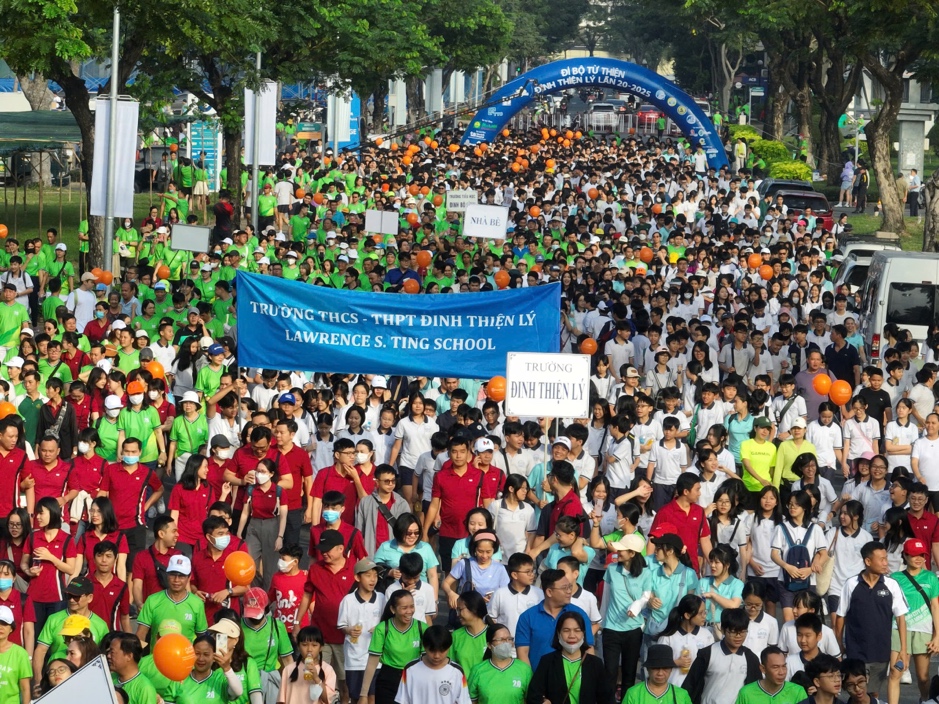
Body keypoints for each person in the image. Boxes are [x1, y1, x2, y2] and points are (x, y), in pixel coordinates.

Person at [836, 540, 910, 702]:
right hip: (855, 652)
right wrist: (839, 645)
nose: (886, 563)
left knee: (873, 694)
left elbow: (901, 618)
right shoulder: (851, 584)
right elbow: (840, 616)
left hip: (881, 652)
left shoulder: (892, 585)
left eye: (886, 558)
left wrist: (903, 650)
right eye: (881, 559)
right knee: (856, 693)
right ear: (868, 561)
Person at [294, 529, 356, 702]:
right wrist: (297, 622)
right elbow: (307, 596)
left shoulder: (354, 569)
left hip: (345, 640)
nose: (324, 553)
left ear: (340, 549)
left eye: (328, 549)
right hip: (321, 639)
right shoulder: (315, 569)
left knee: (345, 684)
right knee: (316, 679)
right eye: (322, 549)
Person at [887, 537, 939, 703]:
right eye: (914, 555)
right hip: (898, 629)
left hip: (923, 630)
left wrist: (937, 635)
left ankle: (924, 700)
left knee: (923, 677)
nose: (919, 559)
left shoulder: (931, 578)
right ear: (905, 556)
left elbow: (935, 607)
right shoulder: (894, 578)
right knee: (896, 672)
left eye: (922, 555)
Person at [515, 568, 595, 672]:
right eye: (564, 588)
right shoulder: (527, 617)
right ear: (549, 592)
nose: (569, 591)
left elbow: (588, 648)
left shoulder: (579, 614)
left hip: (572, 679)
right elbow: (523, 653)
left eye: (570, 587)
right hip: (539, 680)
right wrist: (532, 682)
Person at [526, 611, 614, 704]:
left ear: (583, 633)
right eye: (566, 630)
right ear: (559, 633)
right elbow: (533, 696)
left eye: (577, 630)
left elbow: (607, 698)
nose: (572, 636)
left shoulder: (595, 663)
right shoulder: (547, 661)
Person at [681, 607, 761, 704]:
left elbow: (756, 691)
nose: (738, 636)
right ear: (723, 630)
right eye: (733, 632)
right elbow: (690, 686)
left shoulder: (750, 658)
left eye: (743, 632)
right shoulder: (707, 654)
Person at [358, 589, 425, 704]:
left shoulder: (422, 628)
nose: (409, 611)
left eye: (412, 606)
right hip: (388, 681)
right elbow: (372, 663)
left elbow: (427, 661)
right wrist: (363, 694)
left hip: (414, 680)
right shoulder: (382, 629)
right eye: (404, 608)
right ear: (393, 609)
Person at [337, 558, 386, 704]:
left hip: (376, 658)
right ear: (357, 577)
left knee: (373, 696)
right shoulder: (348, 600)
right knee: (356, 697)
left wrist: (379, 629)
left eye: (375, 575)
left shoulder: (382, 598)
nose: (373, 579)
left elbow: (387, 623)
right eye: (368, 575)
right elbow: (341, 625)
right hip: (354, 658)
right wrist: (349, 630)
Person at [648, 472, 713, 574]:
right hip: (669, 570)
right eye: (697, 489)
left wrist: (712, 563)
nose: (699, 493)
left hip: (692, 569)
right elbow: (652, 540)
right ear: (686, 491)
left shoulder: (699, 511)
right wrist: (649, 567)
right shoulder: (665, 512)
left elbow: (704, 539)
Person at [136, 554, 208, 645]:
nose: (176, 580)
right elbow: (141, 634)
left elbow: (201, 638)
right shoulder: (152, 600)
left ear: (189, 577)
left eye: (181, 576)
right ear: (167, 575)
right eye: (173, 575)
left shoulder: (197, 603)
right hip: (156, 658)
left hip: (186, 658)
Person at [278, 626, 338, 704]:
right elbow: (281, 700)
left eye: (314, 645)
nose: (309, 649)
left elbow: (328, 700)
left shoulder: (327, 669)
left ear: (321, 648)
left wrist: (316, 678)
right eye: (304, 645)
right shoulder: (288, 669)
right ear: (298, 647)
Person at [623, 643, 693, 704]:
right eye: (655, 668)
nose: (660, 673)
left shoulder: (682, 694)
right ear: (648, 669)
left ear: (671, 669)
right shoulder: (633, 693)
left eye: (665, 668)